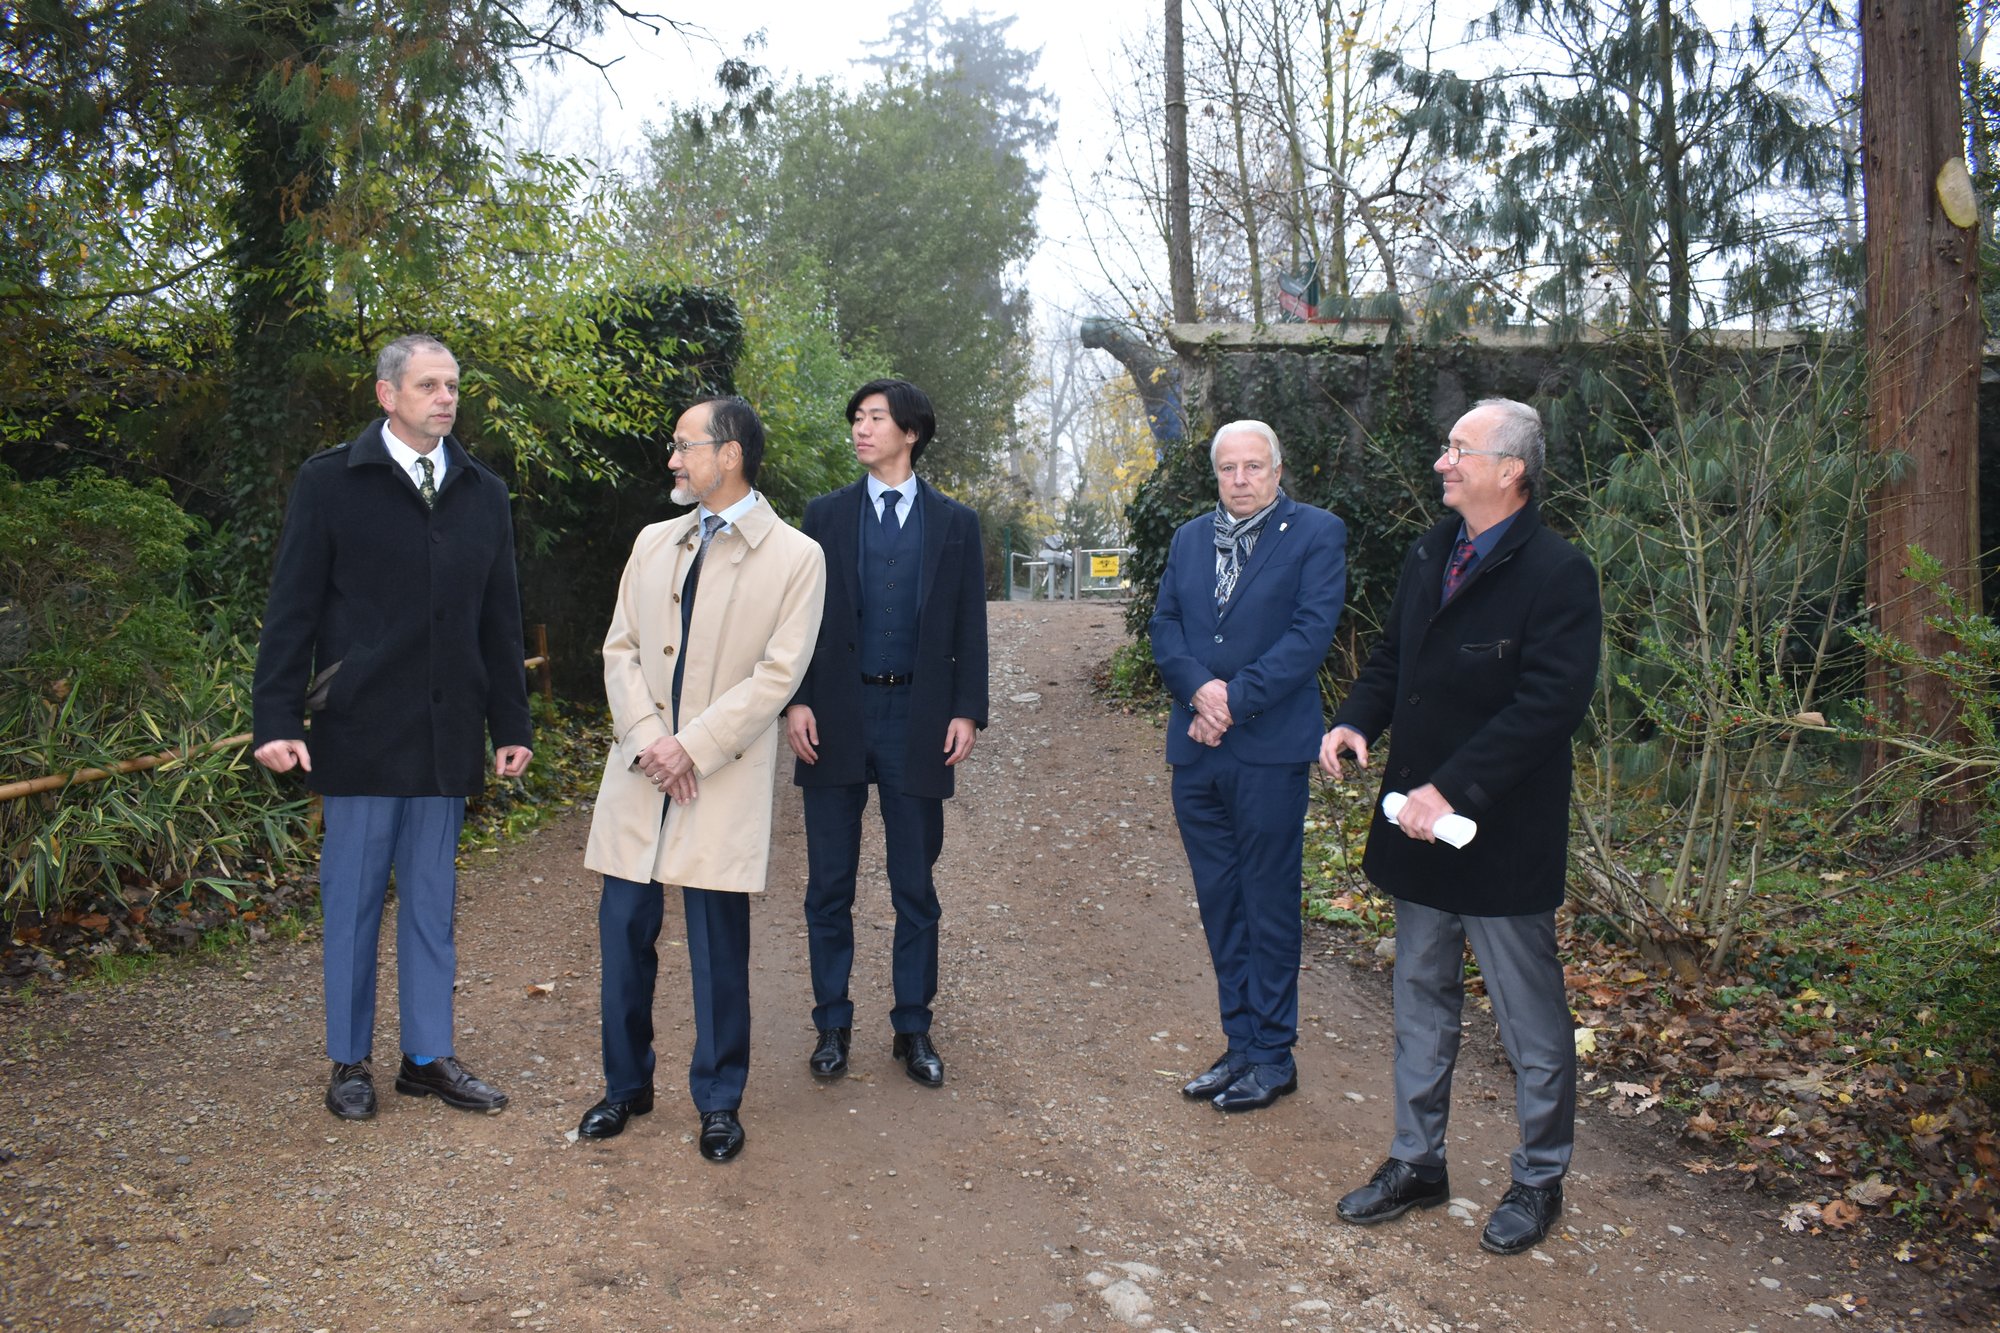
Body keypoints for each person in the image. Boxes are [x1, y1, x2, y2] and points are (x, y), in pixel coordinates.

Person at [1320, 398, 1601, 1256]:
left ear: (1510, 470)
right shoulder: (1432, 549)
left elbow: (1549, 705)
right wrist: (1357, 720)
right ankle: (1417, 1161)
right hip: (1419, 827)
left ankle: (1539, 1177)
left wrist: (1456, 789)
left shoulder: (1558, 572)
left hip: (1499, 836)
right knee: (1420, 1000)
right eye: (1448, 446)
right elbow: (1396, 659)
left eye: (1459, 449)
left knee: (1530, 1021)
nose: (1443, 461)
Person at [252, 333, 533, 1123]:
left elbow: (499, 622)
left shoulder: (484, 492)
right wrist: (275, 715)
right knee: (350, 906)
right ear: (387, 395)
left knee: (432, 904)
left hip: (447, 738)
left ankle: (426, 1058)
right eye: (428, 385)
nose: (445, 397)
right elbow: (291, 609)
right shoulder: (332, 483)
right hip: (360, 733)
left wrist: (511, 719)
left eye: (452, 385)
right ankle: (349, 1060)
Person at [578, 396, 826, 1163]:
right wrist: (651, 739)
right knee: (623, 935)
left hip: (716, 775)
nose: (673, 459)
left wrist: (693, 746)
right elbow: (618, 649)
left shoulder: (795, 556)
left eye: (684, 445)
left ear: (730, 455)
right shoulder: (653, 542)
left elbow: (778, 676)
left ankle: (719, 1101)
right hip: (641, 772)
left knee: (718, 947)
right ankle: (626, 1086)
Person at [784, 378, 989, 1088]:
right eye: (856, 419)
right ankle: (832, 1024)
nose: (860, 429)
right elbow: (799, 618)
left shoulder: (956, 523)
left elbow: (969, 622)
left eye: (874, 418)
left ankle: (913, 1026)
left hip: (919, 720)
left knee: (914, 884)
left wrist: (966, 710)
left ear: (911, 431)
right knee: (828, 884)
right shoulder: (826, 516)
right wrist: (796, 701)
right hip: (837, 714)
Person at [1149, 420, 1347, 1113]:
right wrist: (1198, 690)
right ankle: (1239, 1042)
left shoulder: (1317, 534)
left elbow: (1309, 635)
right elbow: (1165, 626)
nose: (1240, 478)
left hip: (1267, 749)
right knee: (1221, 903)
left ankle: (1273, 1053)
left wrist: (1230, 700)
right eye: (1228, 467)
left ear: (1278, 468)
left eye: (1253, 466)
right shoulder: (1187, 539)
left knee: (1267, 902)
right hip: (1196, 752)